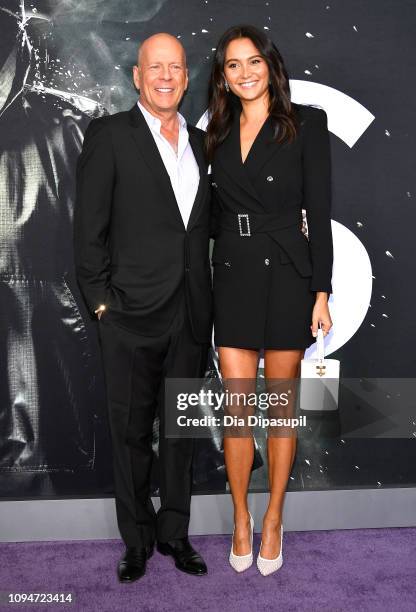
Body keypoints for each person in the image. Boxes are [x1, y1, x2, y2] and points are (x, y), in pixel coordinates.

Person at [74, 33, 212, 582]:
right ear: (137, 76)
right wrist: (103, 304)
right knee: (129, 433)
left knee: (180, 431)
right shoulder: (110, 136)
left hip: (191, 315)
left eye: (175, 67)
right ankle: (136, 539)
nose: (166, 76)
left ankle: (174, 533)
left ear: (185, 76)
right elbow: (88, 233)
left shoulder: (205, 143)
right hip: (128, 316)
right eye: (156, 67)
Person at [206, 25, 333, 576]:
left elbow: (320, 213)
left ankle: (274, 517)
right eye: (233, 65)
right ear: (224, 78)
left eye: (253, 61)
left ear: (270, 65)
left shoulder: (307, 123)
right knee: (237, 411)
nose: (245, 72)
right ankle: (240, 517)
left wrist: (321, 290)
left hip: (286, 274)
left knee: (280, 410)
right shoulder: (215, 130)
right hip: (233, 274)